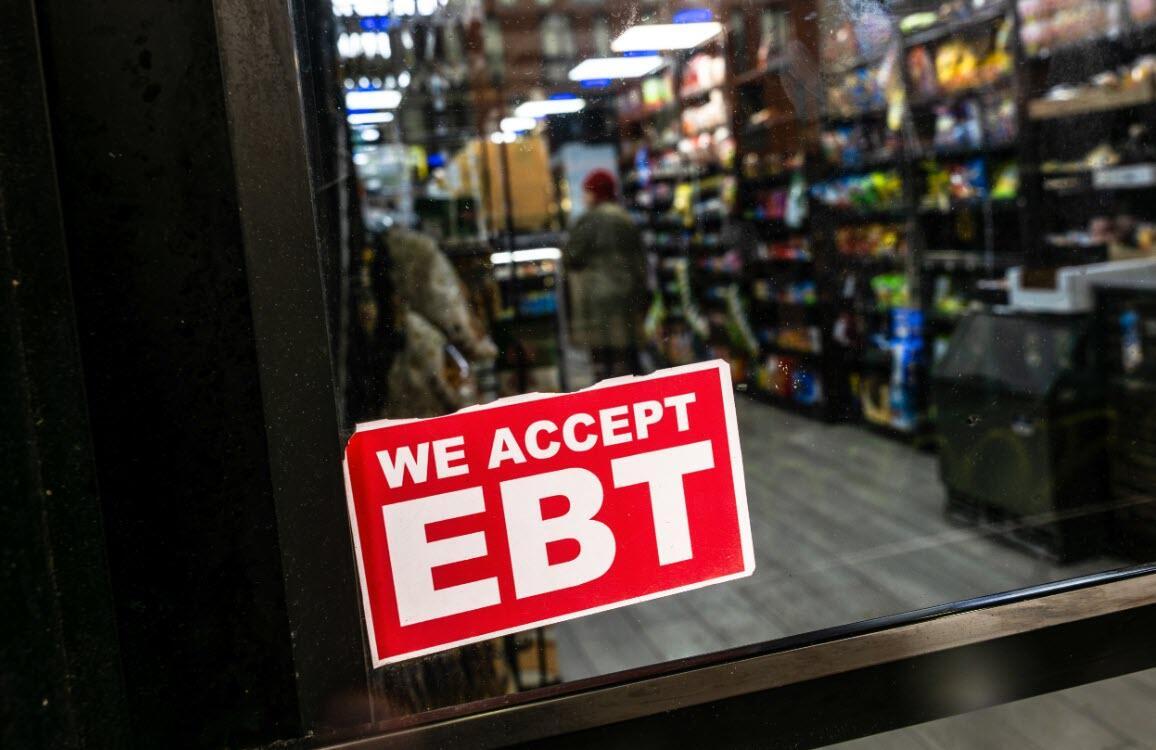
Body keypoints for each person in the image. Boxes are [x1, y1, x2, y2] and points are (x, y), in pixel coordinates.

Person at [564, 168, 647, 382]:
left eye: (586, 191)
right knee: (628, 359)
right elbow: (639, 261)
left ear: (596, 193)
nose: (584, 197)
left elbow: (571, 256)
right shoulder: (625, 218)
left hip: (597, 300)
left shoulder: (589, 220)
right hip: (626, 296)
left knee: (603, 363)